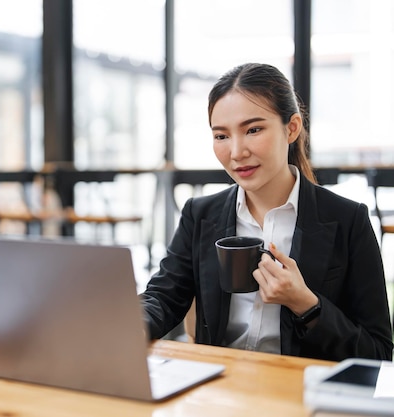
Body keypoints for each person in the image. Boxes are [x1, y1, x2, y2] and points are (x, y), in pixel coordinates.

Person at [140, 63, 393, 361]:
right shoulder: (200, 214)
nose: (236, 152)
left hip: (299, 392)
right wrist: (124, 326)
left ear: (292, 128)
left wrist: (307, 305)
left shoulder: (347, 221)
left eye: (253, 130)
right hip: (220, 388)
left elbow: (378, 352)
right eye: (221, 136)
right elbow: (163, 298)